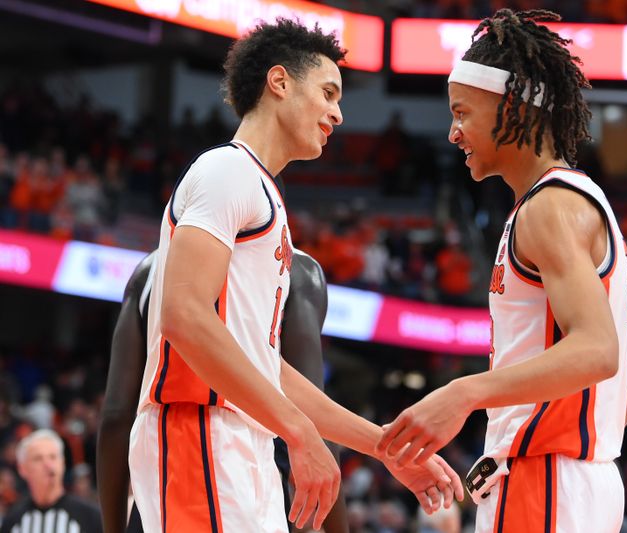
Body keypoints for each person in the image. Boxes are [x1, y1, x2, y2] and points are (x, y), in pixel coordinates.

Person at [125, 18, 461, 533]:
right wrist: (300, 434)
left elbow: (264, 366)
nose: (338, 113)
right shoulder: (226, 171)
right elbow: (183, 315)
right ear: (279, 83)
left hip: (245, 440)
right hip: (195, 430)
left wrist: (382, 446)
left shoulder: (264, 197)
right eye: (328, 93)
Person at [377, 9, 627, 533]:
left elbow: (601, 349)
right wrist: (579, 445)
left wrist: (465, 393)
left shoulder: (548, 208)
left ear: (510, 107)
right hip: (576, 484)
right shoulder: (577, 200)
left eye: (461, 113)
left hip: (544, 488)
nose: (452, 133)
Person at [98, 247, 350, 533]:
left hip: (161, 480)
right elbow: (314, 412)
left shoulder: (151, 270)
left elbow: (116, 416)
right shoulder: (296, 270)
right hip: (246, 481)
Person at [1, 430, 102, 533]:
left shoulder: (90, 516)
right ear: (22, 468)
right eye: (38, 459)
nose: (48, 465)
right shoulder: (13, 521)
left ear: (62, 464)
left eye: (53, 457)